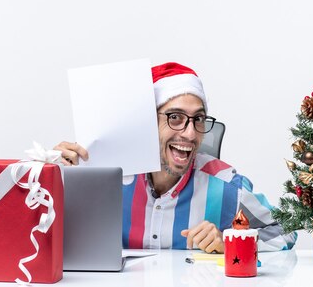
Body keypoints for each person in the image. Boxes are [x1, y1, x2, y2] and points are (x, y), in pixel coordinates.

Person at [55, 62, 297, 253]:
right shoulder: (104, 176)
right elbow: (44, 236)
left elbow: (286, 230)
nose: (190, 134)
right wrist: (52, 180)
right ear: (148, 122)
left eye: (198, 119)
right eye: (175, 117)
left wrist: (230, 241)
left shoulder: (225, 185)